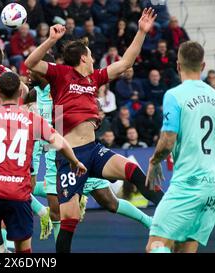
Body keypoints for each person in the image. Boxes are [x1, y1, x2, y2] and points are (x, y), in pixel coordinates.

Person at [25, 8, 163, 253]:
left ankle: (168, 215)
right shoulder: (61, 74)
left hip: (94, 150)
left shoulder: (94, 79)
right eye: (90, 55)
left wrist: (141, 32)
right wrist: (51, 40)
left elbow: (126, 63)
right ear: (83, 58)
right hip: (69, 158)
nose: (93, 58)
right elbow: (30, 63)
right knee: (69, 221)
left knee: (133, 170)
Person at [0, 71, 86, 253]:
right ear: (21, 92)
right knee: (23, 250)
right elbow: (59, 142)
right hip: (19, 195)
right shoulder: (33, 119)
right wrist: (75, 161)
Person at [145, 41, 215, 253]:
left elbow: (168, 139)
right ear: (203, 66)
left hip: (188, 185)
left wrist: (154, 160)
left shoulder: (174, 95)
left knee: (155, 246)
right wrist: (214, 173)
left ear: (178, 66)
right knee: (184, 250)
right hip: (213, 187)